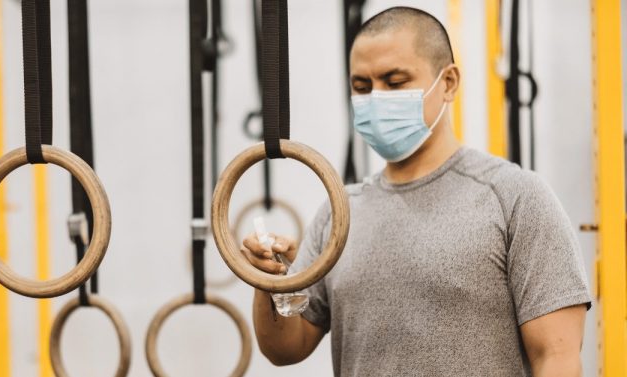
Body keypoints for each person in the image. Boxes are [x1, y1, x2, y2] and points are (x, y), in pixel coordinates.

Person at [242, 6, 591, 377]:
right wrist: (270, 284)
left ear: (449, 83)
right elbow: (284, 348)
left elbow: (556, 357)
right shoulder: (338, 214)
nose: (376, 99)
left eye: (394, 82)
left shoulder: (515, 197)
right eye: (362, 87)